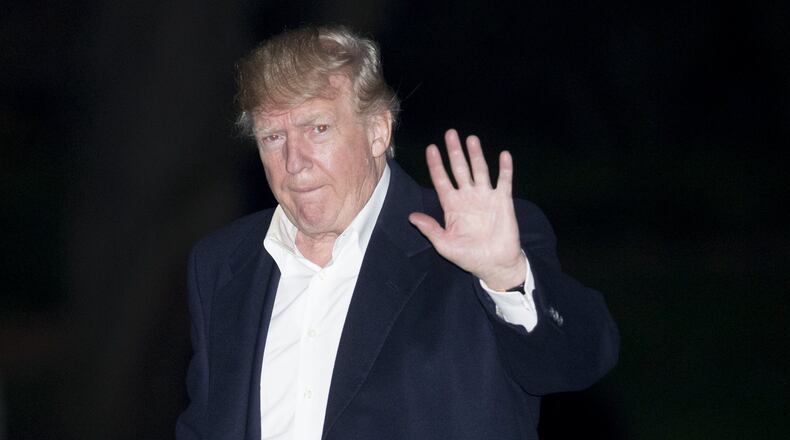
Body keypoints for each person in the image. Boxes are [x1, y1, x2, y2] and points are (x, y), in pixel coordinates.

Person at [176, 25, 619, 440]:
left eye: (318, 128)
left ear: (377, 131)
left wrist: (507, 277)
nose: (295, 160)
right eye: (273, 136)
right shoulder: (222, 264)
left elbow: (578, 360)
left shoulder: (468, 243)